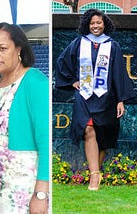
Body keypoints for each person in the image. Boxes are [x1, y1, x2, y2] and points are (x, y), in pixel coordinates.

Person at [55, 8, 135, 191]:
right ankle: (94, 177)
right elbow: (62, 62)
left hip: (106, 97)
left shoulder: (112, 45)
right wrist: (73, 81)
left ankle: (95, 172)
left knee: (102, 135)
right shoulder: (79, 43)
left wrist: (120, 99)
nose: (95, 26)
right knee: (88, 129)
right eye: (92, 23)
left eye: (99, 23)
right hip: (84, 95)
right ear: (87, 25)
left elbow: (118, 73)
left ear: (104, 24)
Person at [0, 22, 49, 214]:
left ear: (19, 49)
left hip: (25, 188)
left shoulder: (34, 81)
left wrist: (41, 194)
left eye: (2, 48)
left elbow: (46, 142)